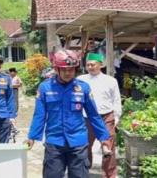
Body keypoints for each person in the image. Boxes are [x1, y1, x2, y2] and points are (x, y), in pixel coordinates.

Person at [26, 50, 111, 178]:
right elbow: (39, 115)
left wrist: (104, 138)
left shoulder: (83, 88)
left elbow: (93, 115)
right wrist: (32, 137)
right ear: (57, 69)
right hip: (54, 141)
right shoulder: (45, 88)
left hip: (78, 142)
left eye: (71, 70)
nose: (67, 73)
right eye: (64, 69)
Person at [77, 53, 122, 178]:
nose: (90, 67)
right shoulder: (81, 80)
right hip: (87, 118)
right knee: (84, 145)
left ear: (100, 65)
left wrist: (116, 117)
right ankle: (84, 171)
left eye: (93, 64)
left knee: (108, 147)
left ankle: (109, 175)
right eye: (88, 65)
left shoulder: (110, 80)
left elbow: (116, 100)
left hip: (106, 117)